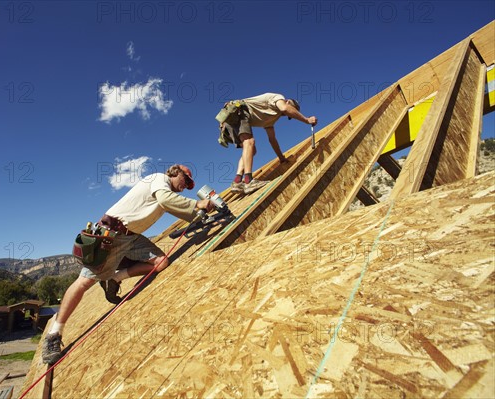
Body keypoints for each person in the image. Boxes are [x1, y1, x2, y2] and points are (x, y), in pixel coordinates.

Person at [41, 164, 213, 364]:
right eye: (186, 180)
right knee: (84, 282)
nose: (186, 186)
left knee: (161, 262)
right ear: (175, 173)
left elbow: (176, 206)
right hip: (111, 236)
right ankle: (54, 334)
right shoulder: (159, 179)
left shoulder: (166, 194)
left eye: (190, 184)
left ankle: (115, 278)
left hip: (132, 237)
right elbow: (168, 200)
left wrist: (203, 211)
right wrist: (198, 205)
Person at [217, 93, 318, 194]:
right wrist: (306, 120)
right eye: (292, 110)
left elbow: (272, 139)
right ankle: (249, 181)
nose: (286, 115)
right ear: (288, 102)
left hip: (230, 119)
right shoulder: (278, 98)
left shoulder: (271, 118)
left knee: (251, 150)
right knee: (249, 142)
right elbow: (284, 108)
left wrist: (281, 158)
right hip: (238, 111)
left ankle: (237, 181)